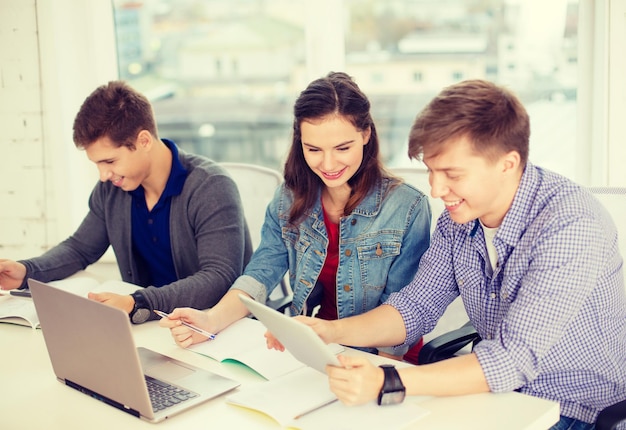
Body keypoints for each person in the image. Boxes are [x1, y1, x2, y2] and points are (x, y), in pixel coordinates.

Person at [271, 79, 626, 428]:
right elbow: (414, 307)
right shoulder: (459, 221)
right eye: (431, 171)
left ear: (507, 163)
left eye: (451, 174)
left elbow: (509, 360)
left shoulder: (571, 225)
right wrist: (329, 331)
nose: (436, 189)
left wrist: (388, 382)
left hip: (573, 409)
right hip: (495, 398)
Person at [159, 71, 432, 358]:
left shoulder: (407, 208)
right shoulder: (288, 199)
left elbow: (401, 314)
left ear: (365, 135)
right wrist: (211, 319)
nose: (328, 164)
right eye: (313, 149)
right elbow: (261, 274)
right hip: (313, 347)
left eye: (342, 148)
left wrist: (380, 379)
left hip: (380, 356)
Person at [0, 81, 253, 324]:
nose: (103, 175)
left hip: (214, 326)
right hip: (152, 323)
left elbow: (219, 277)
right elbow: (80, 249)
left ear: (143, 141)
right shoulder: (113, 189)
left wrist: (139, 302)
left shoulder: (211, 186)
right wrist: (26, 271)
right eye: (97, 164)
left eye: (109, 162)